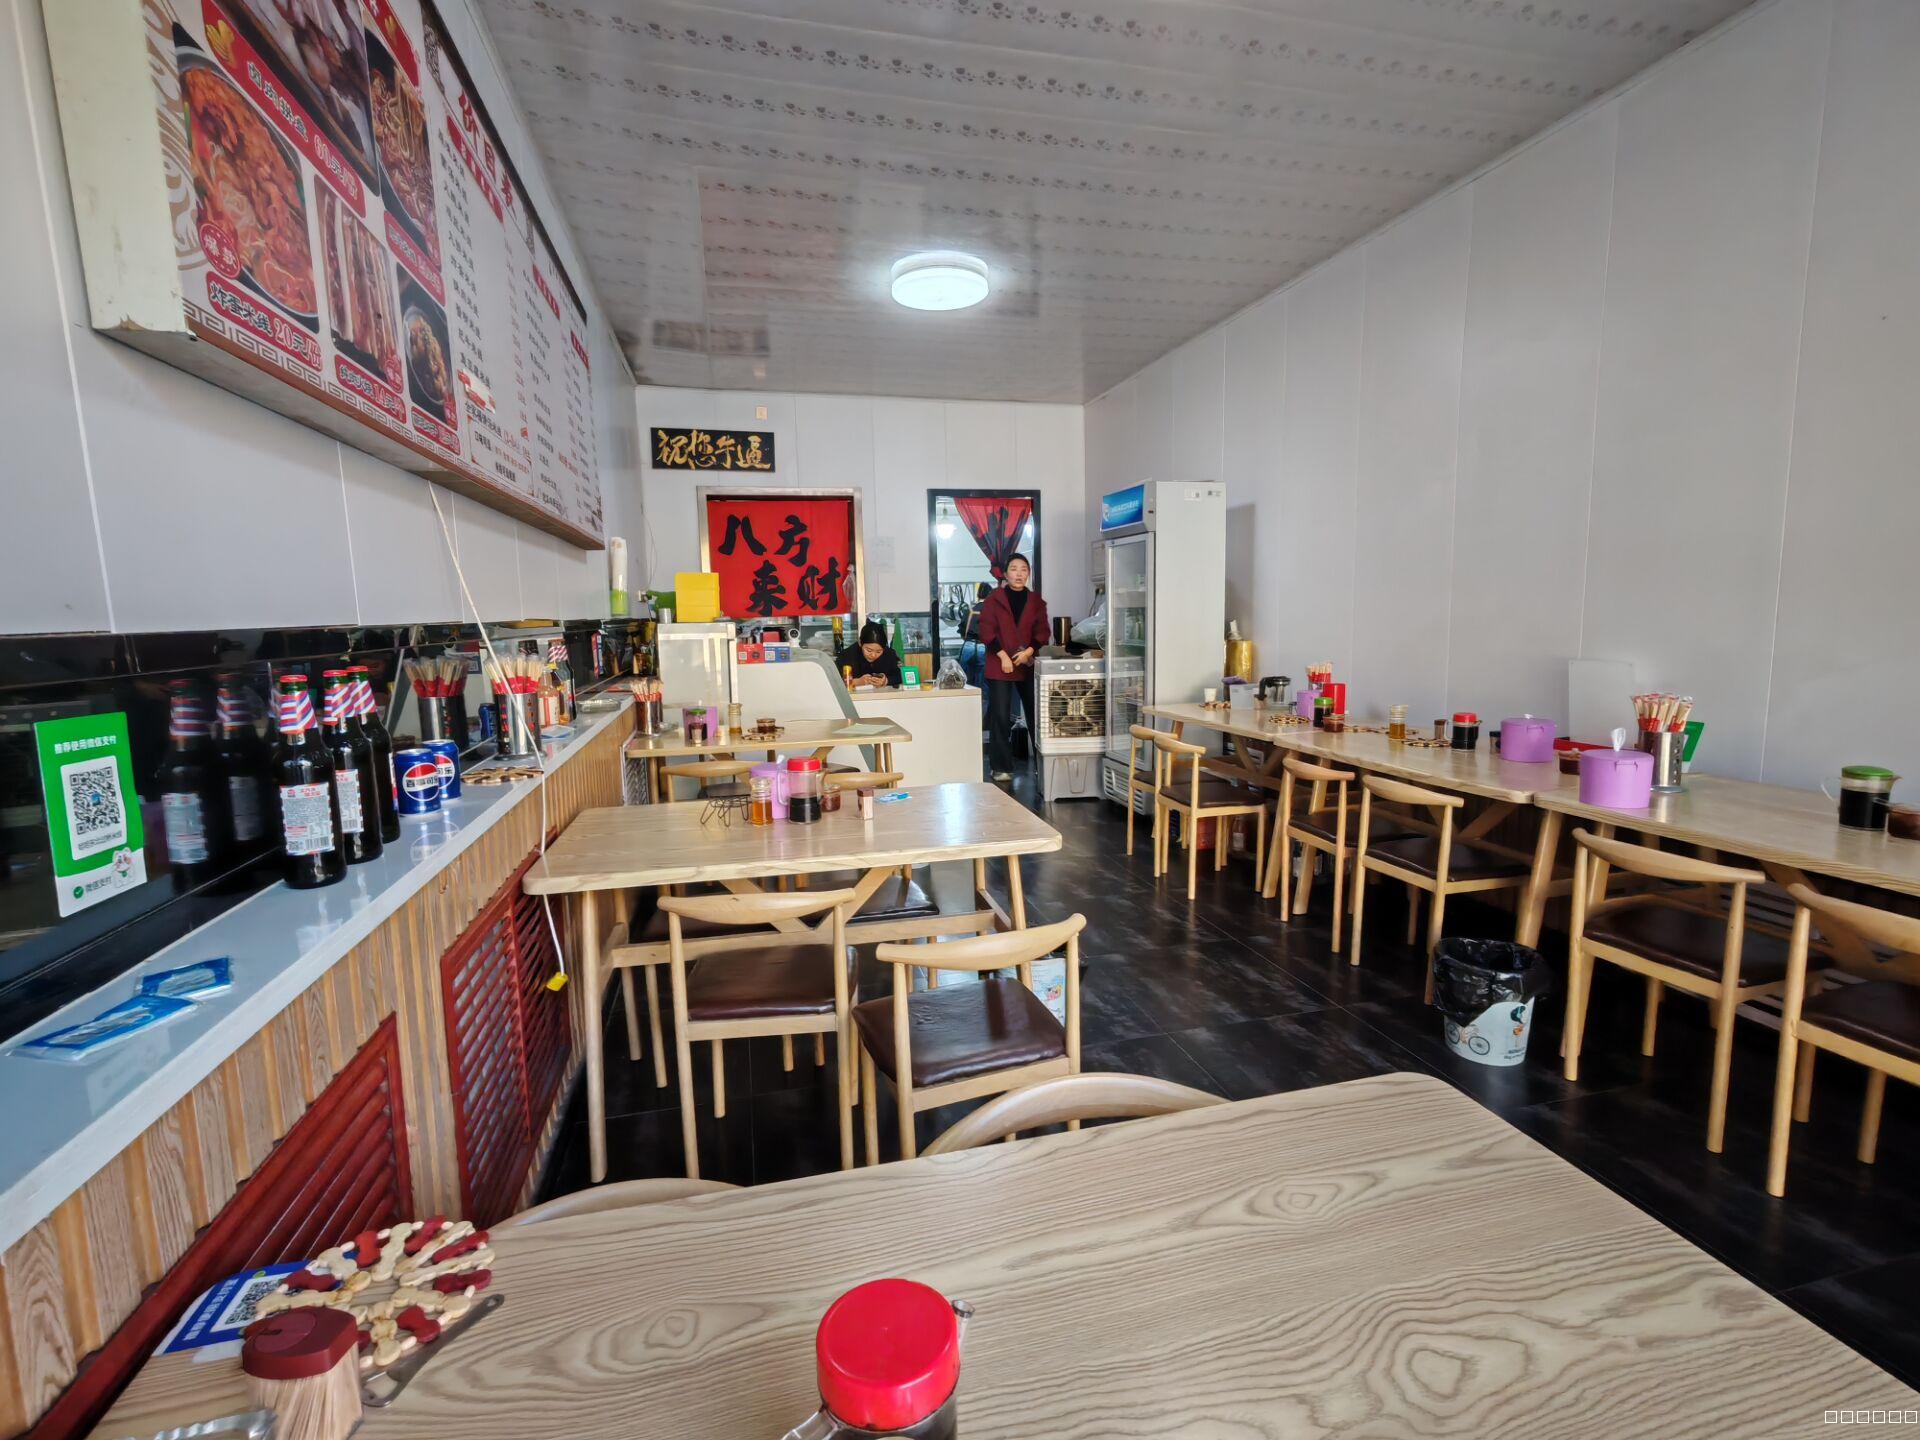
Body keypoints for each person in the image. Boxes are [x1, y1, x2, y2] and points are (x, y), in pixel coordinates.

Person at [977, 553, 1049, 781]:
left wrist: (1028, 652)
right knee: (1000, 715)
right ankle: (1001, 767)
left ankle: (1044, 765)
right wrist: (1003, 657)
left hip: (1026, 664)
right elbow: (986, 631)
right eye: (1014, 569)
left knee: (1036, 714)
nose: (1019, 574)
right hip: (1000, 664)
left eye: (1024, 569)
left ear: (1029, 574)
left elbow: (1043, 632)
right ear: (1006, 574)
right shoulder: (993, 600)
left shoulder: (1036, 601)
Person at [836, 621, 902, 690]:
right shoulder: (846, 655)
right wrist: (857, 682)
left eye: (878, 651)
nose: (873, 655)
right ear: (860, 643)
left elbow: (900, 675)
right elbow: (835, 681)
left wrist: (886, 680)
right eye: (869, 650)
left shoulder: (889, 654)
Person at [959, 581, 992, 699]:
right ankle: (982, 708)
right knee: (983, 682)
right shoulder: (991, 611)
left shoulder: (969, 610)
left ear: (978, 594)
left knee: (964, 681)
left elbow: (962, 629)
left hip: (968, 646)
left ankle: (966, 704)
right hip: (983, 647)